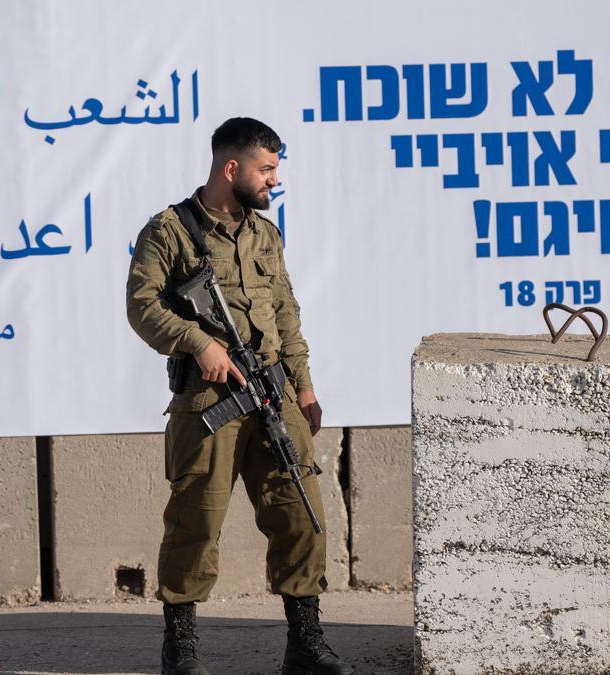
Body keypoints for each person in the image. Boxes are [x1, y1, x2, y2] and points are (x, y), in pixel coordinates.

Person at [126, 117, 354, 675]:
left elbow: (284, 313)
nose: (273, 181)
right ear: (233, 168)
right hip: (209, 404)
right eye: (266, 168)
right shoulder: (170, 231)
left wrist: (303, 386)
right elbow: (143, 306)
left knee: (299, 510)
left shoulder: (264, 234)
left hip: (273, 394)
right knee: (195, 521)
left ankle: (305, 643)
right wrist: (198, 342)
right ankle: (180, 650)